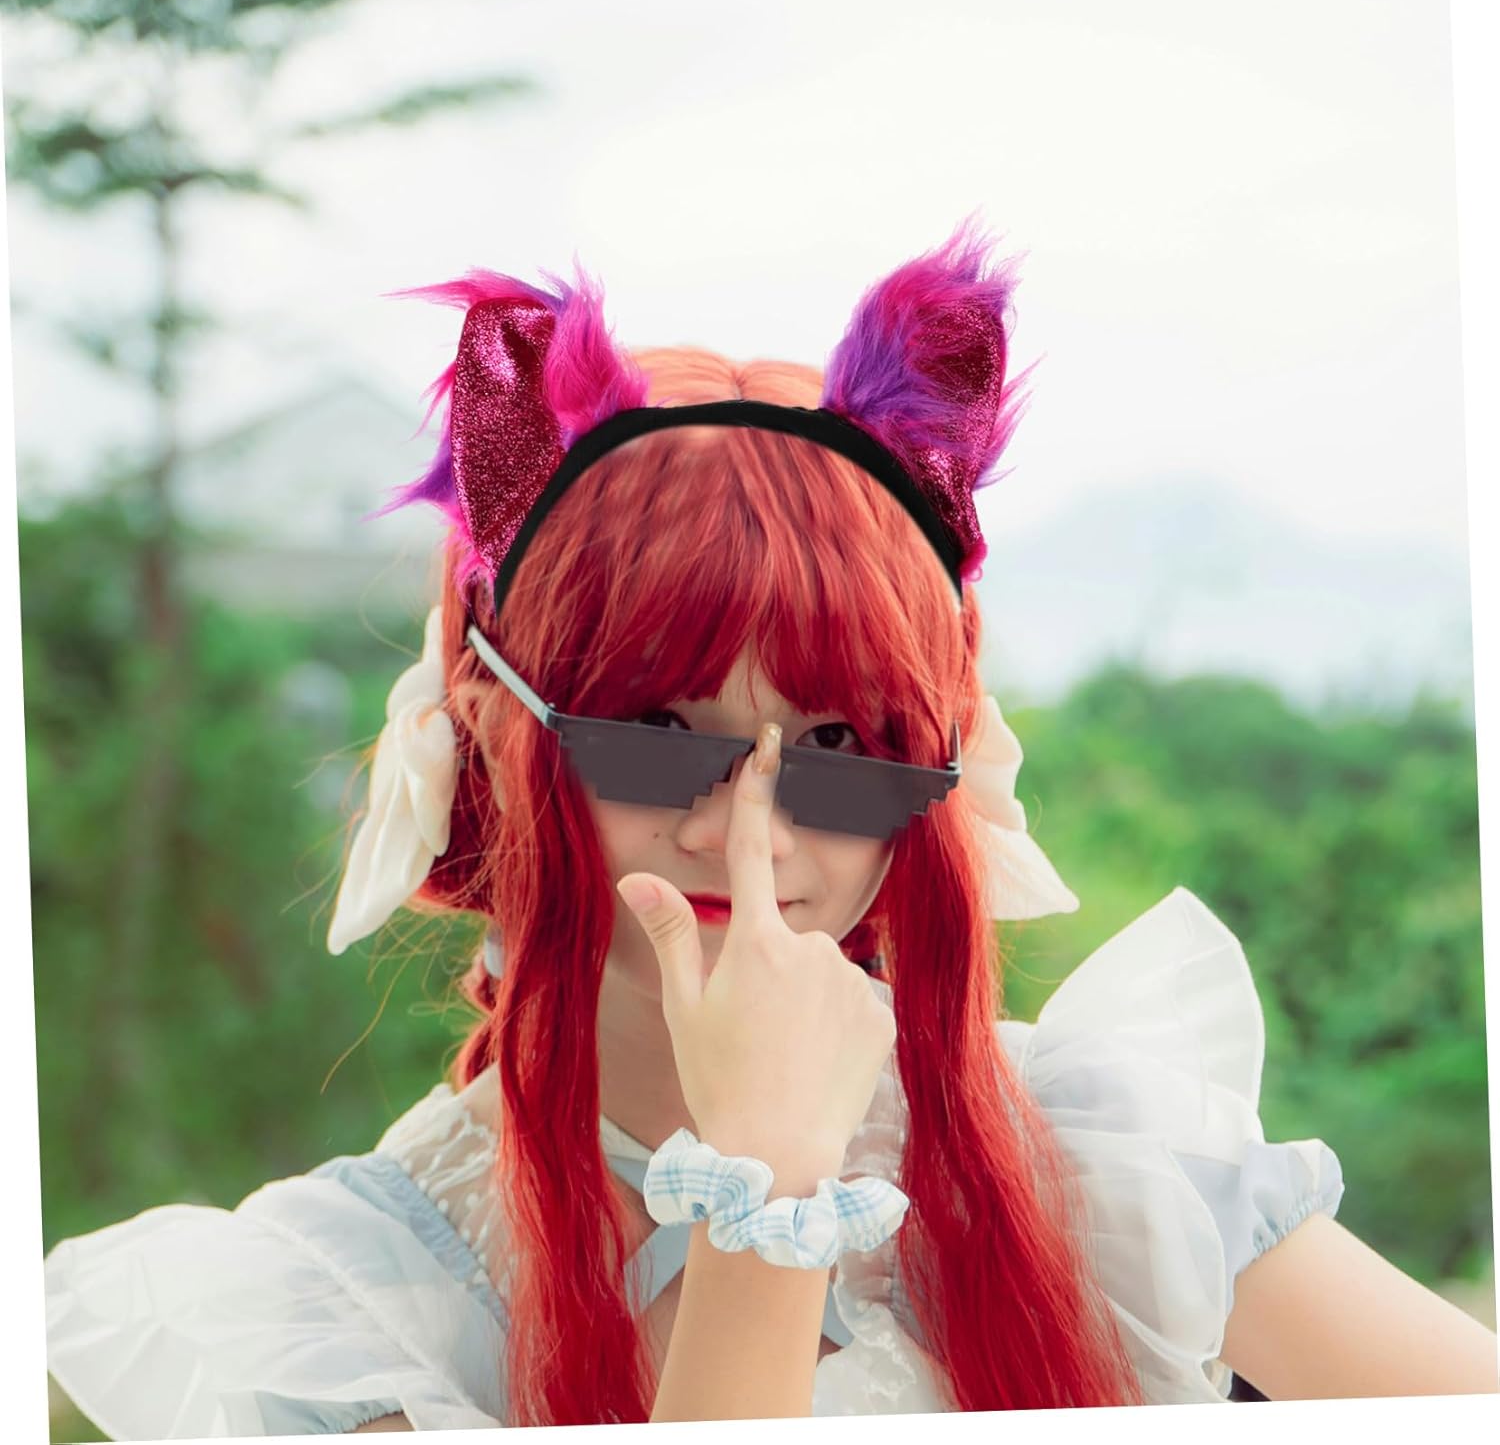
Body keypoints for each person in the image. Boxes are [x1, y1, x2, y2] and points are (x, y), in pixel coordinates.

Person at [43, 220, 1499, 1435]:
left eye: (844, 753)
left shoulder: (1087, 1151)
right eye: (656, 735)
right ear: (489, 725)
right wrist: (767, 1194)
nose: (750, 827)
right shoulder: (359, 1298)